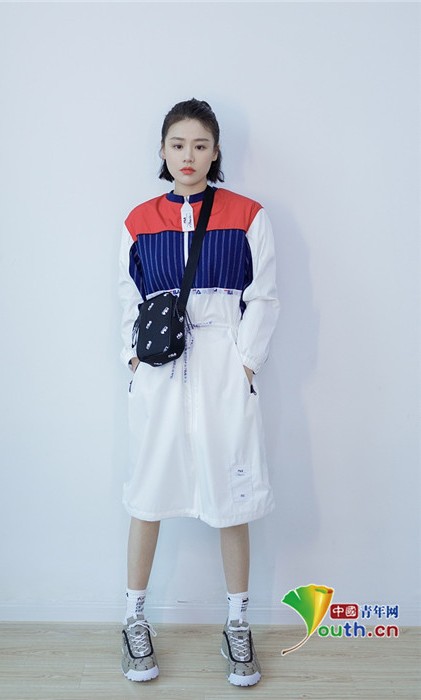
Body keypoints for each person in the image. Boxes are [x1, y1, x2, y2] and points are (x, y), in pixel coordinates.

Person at [118, 98, 279, 686]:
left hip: (222, 368)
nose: (188, 155)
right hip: (160, 371)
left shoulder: (247, 214)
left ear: (215, 152)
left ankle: (237, 623)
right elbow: (128, 296)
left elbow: (264, 296)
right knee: (147, 495)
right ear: (163, 151)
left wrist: (246, 365)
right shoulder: (139, 220)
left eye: (201, 145)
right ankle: (134, 618)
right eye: (178, 144)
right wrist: (133, 360)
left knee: (231, 495)